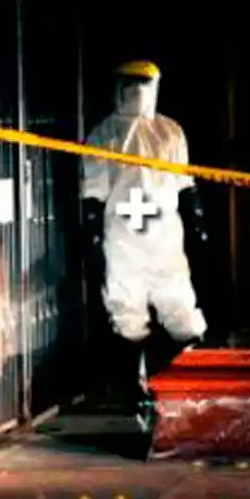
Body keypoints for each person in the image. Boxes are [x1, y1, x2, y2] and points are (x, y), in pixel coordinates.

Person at [81, 60, 209, 411]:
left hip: (161, 238)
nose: (136, 90)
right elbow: (93, 195)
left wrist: (196, 224)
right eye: (130, 82)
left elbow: (185, 186)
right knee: (129, 308)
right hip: (126, 238)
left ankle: (187, 383)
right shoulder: (104, 134)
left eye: (142, 82)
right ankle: (136, 388)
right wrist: (93, 236)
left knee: (177, 307)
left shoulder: (169, 132)